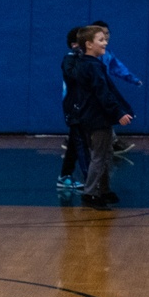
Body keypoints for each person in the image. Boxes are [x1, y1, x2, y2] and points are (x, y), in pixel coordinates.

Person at [68, 25, 134, 210]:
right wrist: (119, 112)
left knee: (105, 154)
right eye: (101, 40)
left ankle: (103, 190)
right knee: (99, 156)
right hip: (97, 118)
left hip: (89, 117)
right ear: (89, 44)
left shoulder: (85, 64)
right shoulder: (93, 67)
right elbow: (103, 93)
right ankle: (90, 193)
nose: (105, 42)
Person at [91, 20, 143, 155]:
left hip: (102, 90)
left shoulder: (107, 55)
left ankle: (112, 142)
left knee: (105, 116)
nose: (106, 36)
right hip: (89, 92)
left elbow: (118, 68)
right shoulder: (85, 55)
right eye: (101, 34)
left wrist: (133, 79)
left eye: (107, 33)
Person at [58, 27, 88, 191]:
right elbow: (73, 76)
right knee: (80, 142)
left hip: (84, 107)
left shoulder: (90, 60)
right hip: (73, 107)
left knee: (76, 143)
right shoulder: (70, 59)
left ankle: (64, 175)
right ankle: (90, 180)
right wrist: (80, 56)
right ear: (75, 44)